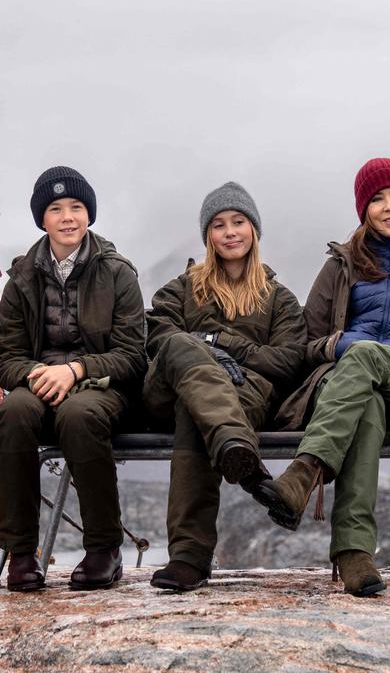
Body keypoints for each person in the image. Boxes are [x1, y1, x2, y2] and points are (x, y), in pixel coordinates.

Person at [258, 158, 390, 596]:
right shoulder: (342, 264)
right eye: (376, 200)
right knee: (364, 397)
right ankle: (354, 553)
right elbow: (307, 343)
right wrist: (340, 347)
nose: (389, 207)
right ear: (363, 210)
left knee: (368, 357)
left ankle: (305, 470)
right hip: (351, 391)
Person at [0, 166, 147, 592]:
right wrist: (38, 374)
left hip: (104, 387)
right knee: (11, 413)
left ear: (89, 215)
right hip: (41, 384)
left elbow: (133, 356)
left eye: (76, 207)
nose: (68, 217)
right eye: (56, 209)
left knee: (78, 415)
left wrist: (76, 370)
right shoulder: (21, 277)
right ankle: (22, 554)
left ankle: (103, 550)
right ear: (43, 219)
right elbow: (5, 357)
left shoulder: (117, 273)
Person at [142, 182, 307, 591]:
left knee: (195, 410)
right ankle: (242, 460)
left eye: (239, 222)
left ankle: (189, 559)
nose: (230, 232)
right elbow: (159, 340)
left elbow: (287, 360)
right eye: (219, 225)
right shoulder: (180, 289)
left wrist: (222, 343)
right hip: (167, 392)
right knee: (182, 346)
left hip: (243, 397)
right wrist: (208, 356)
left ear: (254, 230)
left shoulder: (279, 299)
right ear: (207, 236)